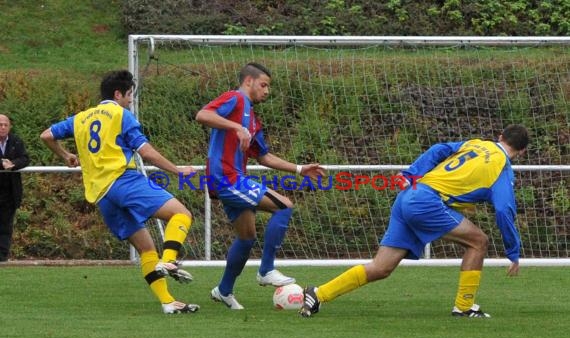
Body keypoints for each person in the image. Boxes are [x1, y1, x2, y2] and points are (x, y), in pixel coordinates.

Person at [300, 124, 529, 318]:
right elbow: (504, 209)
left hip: (409, 195)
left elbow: (440, 148)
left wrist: (411, 173)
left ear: (500, 137)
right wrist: (513, 251)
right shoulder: (503, 168)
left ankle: (318, 294)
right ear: (522, 151)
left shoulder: (477, 143)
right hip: (427, 202)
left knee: (381, 268)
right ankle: (464, 306)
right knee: (479, 242)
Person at [40, 70, 199, 314]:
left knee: (146, 249)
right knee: (181, 214)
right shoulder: (120, 114)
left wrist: (66, 155)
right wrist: (177, 171)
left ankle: (168, 303)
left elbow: (47, 135)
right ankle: (169, 260)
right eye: (129, 95)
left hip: (101, 194)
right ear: (117, 94)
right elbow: (146, 152)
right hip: (124, 180)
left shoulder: (81, 118)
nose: (130, 100)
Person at [196, 62, 325, 309]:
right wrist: (236, 127)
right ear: (249, 81)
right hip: (226, 177)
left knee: (246, 237)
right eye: (263, 85)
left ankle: (223, 291)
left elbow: (264, 157)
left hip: (233, 178)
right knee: (284, 206)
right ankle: (266, 270)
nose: (267, 91)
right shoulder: (235, 98)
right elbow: (203, 115)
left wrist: (300, 169)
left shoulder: (252, 119)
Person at [0, 114, 30, 262]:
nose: (3, 127)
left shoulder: (16, 141)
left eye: (5, 124)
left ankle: (2, 257)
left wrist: (13, 164)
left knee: (6, 225)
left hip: (10, 192)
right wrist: (2, 164)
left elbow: (25, 158)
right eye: (0, 124)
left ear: (9, 126)